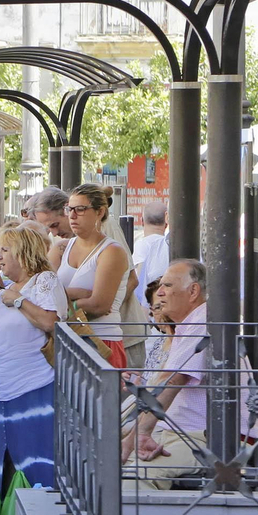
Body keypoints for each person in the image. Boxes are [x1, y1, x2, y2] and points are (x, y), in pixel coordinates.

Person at [0, 228, 61, 489]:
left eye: (5, 250)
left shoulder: (44, 281)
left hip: (35, 388)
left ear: (23, 252)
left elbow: (51, 322)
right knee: (8, 467)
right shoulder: (4, 291)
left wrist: (18, 300)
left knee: (35, 463)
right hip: (2, 392)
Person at [122, 259, 210, 489]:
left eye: (168, 286)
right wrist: (132, 440)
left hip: (206, 437)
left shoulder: (202, 321)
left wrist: (136, 436)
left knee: (130, 480)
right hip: (177, 430)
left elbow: (171, 381)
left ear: (193, 291)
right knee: (109, 466)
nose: (159, 293)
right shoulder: (188, 324)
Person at [52, 183, 132, 369]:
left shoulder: (112, 251)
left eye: (80, 209)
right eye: (69, 209)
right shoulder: (62, 247)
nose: (72, 215)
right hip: (68, 340)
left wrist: (61, 301)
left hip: (102, 341)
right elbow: (41, 292)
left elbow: (99, 305)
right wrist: (75, 293)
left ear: (100, 212)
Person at [133, 202, 171, 290]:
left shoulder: (138, 246)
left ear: (142, 221)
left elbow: (138, 285)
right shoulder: (170, 247)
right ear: (166, 222)